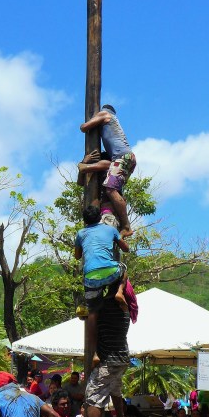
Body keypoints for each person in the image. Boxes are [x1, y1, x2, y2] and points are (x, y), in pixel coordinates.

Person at [78, 104, 136, 236]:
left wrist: (84, 166)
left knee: (111, 189)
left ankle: (126, 227)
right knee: (112, 188)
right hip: (127, 158)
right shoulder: (114, 121)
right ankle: (124, 225)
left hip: (122, 157)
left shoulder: (105, 114)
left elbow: (84, 127)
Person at [75, 204, 130, 317]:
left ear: (85, 221)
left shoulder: (80, 233)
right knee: (124, 269)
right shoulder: (110, 229)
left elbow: (77, 256)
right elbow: (126, 248)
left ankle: (89, 307)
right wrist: (121, 235)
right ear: (100, 217)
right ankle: (119, 292)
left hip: (91, 278)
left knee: (93, 306)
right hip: (111, 273)